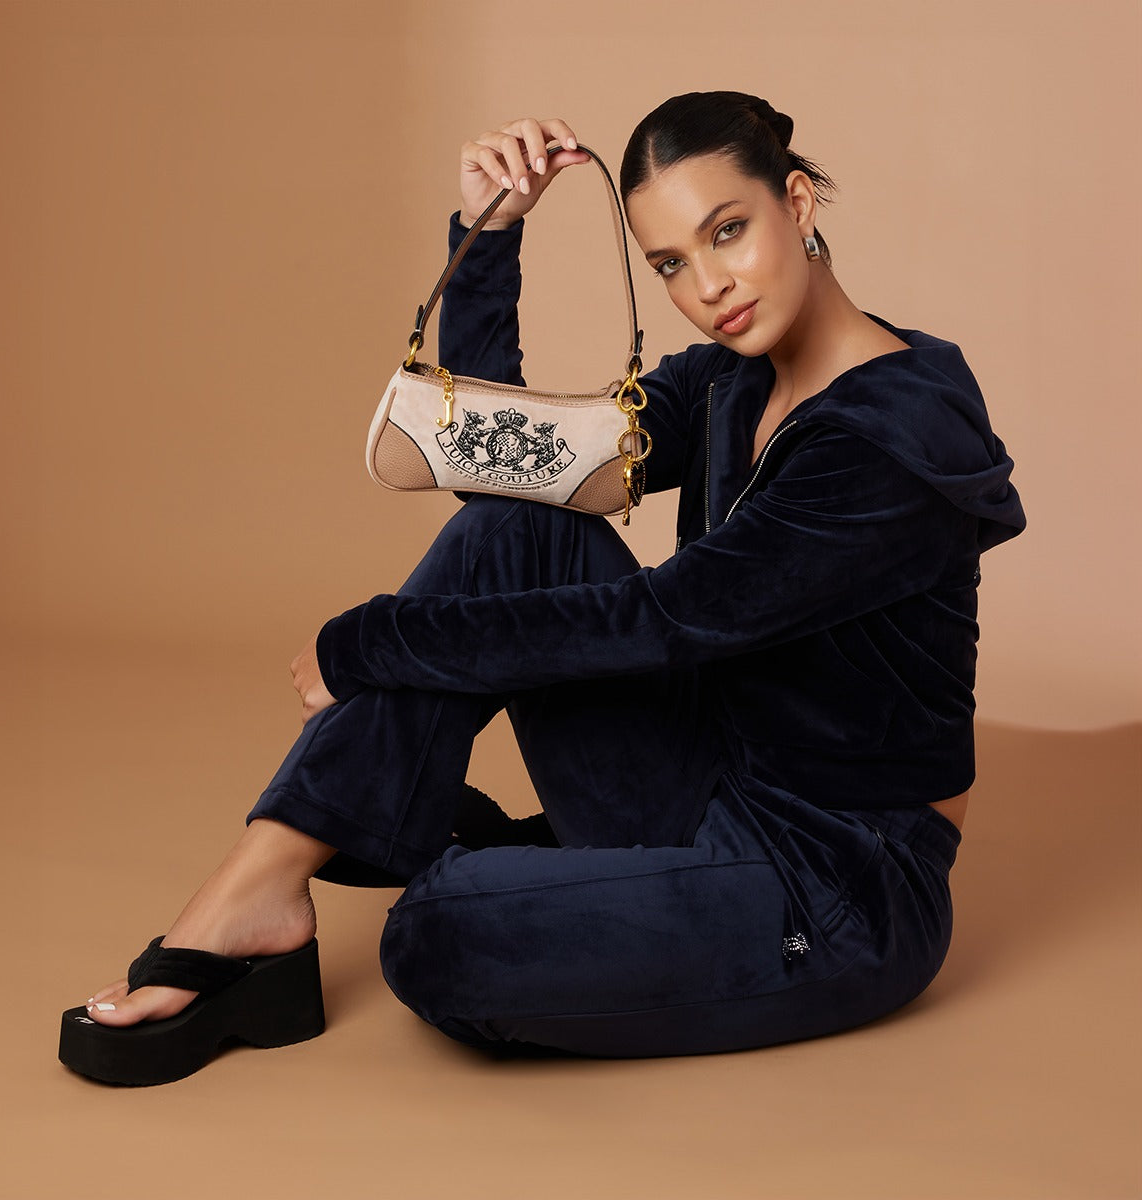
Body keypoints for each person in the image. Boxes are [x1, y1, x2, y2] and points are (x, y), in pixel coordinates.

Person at [59, 92, 1026, 1085]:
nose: (709, 286)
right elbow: (506, 465)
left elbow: (670, 617)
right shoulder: (732, 379)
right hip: (710, 770)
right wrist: (492, 231)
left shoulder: (893, 436)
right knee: (520, 530)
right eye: (670, 264)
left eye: (728, 231)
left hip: (838, 879)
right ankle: (259, 888)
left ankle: (440, 843)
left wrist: (372, 642)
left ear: (797, 203)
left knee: (435, 935)